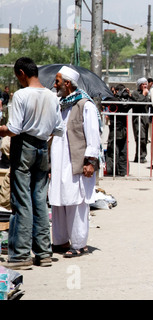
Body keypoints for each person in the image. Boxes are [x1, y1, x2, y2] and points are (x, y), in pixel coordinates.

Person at [0, 57, 63, 270]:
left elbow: (14, 129)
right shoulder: (52, 96)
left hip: (24, 146)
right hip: (42, 148)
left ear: (21, 73)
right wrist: (42, 139)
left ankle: (20, 255)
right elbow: (59, 129)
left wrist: (1, 129)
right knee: (39, 199)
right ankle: (44, 253)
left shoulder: (21, 95)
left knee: (21, 200)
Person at [48, 66, 101, 258]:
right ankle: (60, 241)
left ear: (68, 83)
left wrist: (90, 161)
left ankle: (79, 244)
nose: (55, 85)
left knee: (76, 202)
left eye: (58, 81)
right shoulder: (61, 104)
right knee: (59, 201)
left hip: (76, 162)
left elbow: (93, 135)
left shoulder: (85, 105)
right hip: (59, 161)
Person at [105, 84, 131, 176]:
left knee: (116, 150)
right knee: (118, 150)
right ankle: (118, 171)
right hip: (119, 128)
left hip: (118, 128)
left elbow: (105, 101)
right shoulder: (118, 100)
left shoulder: (120, 100)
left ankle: (116, 171)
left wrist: (126, 95)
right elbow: (106, 101)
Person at [130, 77, 150, 163]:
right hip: (137, 118)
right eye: (143, 84)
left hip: (145, 118)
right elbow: (138, 103)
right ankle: (140, 156)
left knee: (144, 138)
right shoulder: (135, 93)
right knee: (140, 137)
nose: (145, 86)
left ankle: (140, 156)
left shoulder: (147, 93)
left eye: (146, 84)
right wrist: (144, 95)